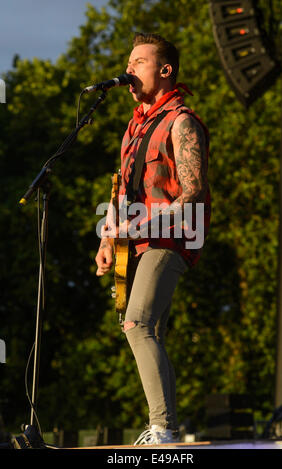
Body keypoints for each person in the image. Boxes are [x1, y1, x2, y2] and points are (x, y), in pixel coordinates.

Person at [95, 32, 211, 445]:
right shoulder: (132, 129)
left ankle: (163, 429)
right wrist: (108, 240)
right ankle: (165, 425)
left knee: (137, 323)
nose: (128, 70)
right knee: (150, 332)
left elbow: (193, 191)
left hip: (172, 238)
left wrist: (137, 228)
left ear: (165, 71)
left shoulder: (182, 121)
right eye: (128, 63)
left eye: (138, 63)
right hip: (137, 243)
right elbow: (120, 189)